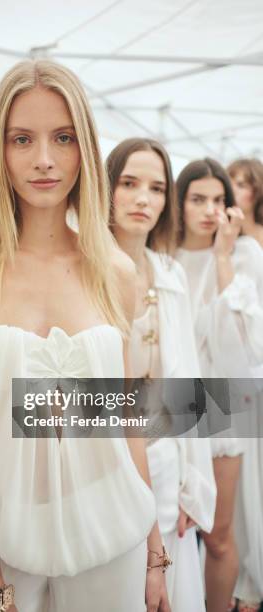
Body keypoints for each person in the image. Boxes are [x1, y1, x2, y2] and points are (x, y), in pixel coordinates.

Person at [0, 60, 171, 612]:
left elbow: (125, 421)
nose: (44, 160)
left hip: (115, 541)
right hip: (3, 551)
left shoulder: (115, 271)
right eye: (22, 139)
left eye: (63, 137)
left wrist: (155, 555)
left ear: (85, 148)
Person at [106, 137, 216, 612]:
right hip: (106, 465)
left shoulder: (169, 274)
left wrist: (194, 479)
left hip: (167, 463)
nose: (142, 199)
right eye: (129, 183)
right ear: (106, 188)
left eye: (155, 188)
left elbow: (187, 387)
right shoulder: (83, 270)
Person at [175, 158, 263, 612]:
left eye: (219, 199)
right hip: (170, 407)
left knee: (219, 534)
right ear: (181, 201)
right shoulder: (162, 255)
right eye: (198, 199)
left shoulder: (245, 254)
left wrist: (224, 256)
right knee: (169, 530)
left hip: (227, 400)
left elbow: (244, 345)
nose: (210, 210)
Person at [228, 158, 263, 612]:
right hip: (234, 371)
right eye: (231, 181)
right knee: (236, 485)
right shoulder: (229, 246)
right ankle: (240, 575)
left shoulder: (254, 247)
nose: (238, 190)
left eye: (244, 183)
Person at [228, 158, 263, 247]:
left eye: (241, 185)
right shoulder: (218, 233)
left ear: (258, 192)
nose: (231, 190)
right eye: (228, 184)